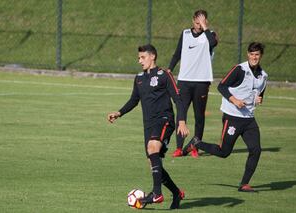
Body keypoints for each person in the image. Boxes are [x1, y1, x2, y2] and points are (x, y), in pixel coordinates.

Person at [107, 44, 189, 209]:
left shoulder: (164, 75)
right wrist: (119, 112)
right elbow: (133, 100)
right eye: (139, 58)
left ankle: (157, 193)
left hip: (165, 119)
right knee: (154, 162)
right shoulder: (139, 78)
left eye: (142, 57)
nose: (139, 61)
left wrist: (181, 121)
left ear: (153, 57)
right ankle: (176, 193)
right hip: (149, 124)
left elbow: (178, 99)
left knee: (153, 148)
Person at [182, 42, 268, 192]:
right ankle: (197, 143)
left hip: (249, 119)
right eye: (252, 54)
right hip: (232, 116)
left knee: (256, 150)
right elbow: (221, 86)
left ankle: (244, 184)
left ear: (261, 56)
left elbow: (259, 95)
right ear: (248, 54)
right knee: (224, 152)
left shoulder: (263, 76)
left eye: (257, 55)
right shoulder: (239, 69)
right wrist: (234, 100)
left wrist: (259, 99)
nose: (254, 57)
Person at [167, 9, 218, 158]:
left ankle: (195, 146)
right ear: (193, 20)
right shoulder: (185, 34)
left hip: (202, 82)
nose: (199, 25)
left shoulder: (211, 35)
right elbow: (177, 53)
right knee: (181, 113)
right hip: (184, 81)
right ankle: (178, 147)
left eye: (202, 22)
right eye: (197, 22)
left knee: (199, 116)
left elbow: (213, 43)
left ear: (206, 22)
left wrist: (205, 27)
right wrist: (170, 68)